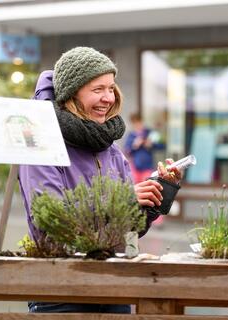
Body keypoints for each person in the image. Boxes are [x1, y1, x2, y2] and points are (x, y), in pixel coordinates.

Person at [18, 47, 180, 314]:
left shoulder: (112, 150)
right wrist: (124, 200)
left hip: (114, 288)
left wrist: (157, 195)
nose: (108, 97)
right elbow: (51, 219)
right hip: (61, 291)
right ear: (71, 93)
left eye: (111, 88)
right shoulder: (42, 147)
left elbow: (129, 233)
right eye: (98, 89)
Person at [124, 113, 164, 184]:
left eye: (139, 123)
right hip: (135, 167)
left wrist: (151, 144)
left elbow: (162, 145)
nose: (137, 125)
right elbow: (127, 151)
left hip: (148, 166)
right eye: (135, 124)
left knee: (147, 185)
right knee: (136, 188)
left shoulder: (150, 133)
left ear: (142, 121)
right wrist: (135, 145)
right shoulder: (131, 135)